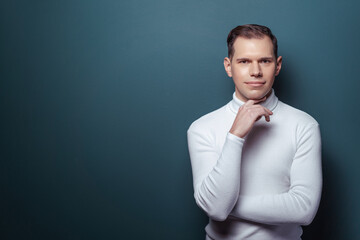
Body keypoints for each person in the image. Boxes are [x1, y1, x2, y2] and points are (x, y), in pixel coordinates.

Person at [187, 24, 322, 240]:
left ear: (277, 66)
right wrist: (235, 135)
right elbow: (215, 209)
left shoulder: (304, 125)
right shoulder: (202, 128)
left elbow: (304, 209)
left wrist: (225, 205)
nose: (256, 71)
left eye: (265, 61)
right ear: (228, 66)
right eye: (244, 61)